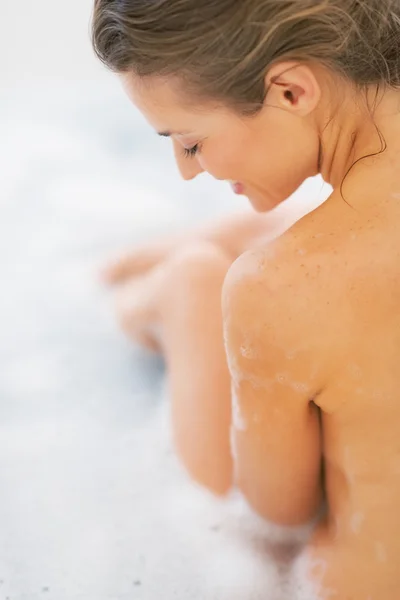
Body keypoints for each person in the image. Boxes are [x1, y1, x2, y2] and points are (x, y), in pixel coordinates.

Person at [92, 1, 400, 597]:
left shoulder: (277, 287)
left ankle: (183, 284)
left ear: (290, 91)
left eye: (190, 142)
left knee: (206, 278)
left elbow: (277, 510)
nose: (185, 172)